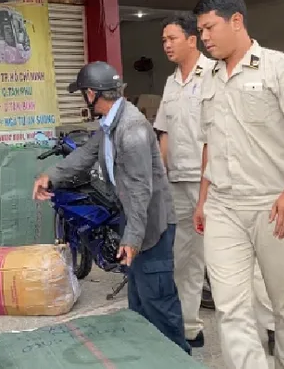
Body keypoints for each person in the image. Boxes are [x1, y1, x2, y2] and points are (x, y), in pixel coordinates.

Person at [193, 0, 284, 369]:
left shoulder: (280, 68)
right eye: (200, 31)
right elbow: (210, 143)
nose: (204, 38)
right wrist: (203, 200)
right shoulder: (209, 78)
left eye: (210, 28)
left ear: (236, 21)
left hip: (273, 205)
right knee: (231, 307)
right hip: (223, 207)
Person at [32, 61, 190, 354]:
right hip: (135, 222)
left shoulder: (131, 130)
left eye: (83, 93)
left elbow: (142, 190)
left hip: (151, 227)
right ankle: (150, 357)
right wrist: (50, 176)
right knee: (139, 306)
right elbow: (85, 155)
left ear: (92, 94)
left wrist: (132, 238)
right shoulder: (109, 125)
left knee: (158, 302)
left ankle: (179, 357)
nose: (83, 98)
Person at [154, 14, 278, 353]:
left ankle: (269, 326)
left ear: (191, 40)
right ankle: (189, 329)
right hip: (180, 182)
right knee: (185, 260)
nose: (167, 45)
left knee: (242, 259)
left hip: (216, 182)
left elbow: (222, 133)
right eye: (163, 40)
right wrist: (161, 175)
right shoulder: (171, 83)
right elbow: (164, 132)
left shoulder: (215, 74)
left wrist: (209, 190)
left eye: (172, 38)